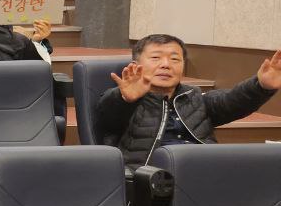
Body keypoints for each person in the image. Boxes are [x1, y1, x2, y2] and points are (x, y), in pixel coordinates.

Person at [98, 35, 281, 168]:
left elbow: (233, 100)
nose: (166, 65)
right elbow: (108, 117)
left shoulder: (195, 98)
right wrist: (125, 99)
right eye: (155, 58)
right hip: (151, 179)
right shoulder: (124, 99)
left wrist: (262, 86)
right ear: (135, 65)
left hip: (205, 171)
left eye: (175, 59)